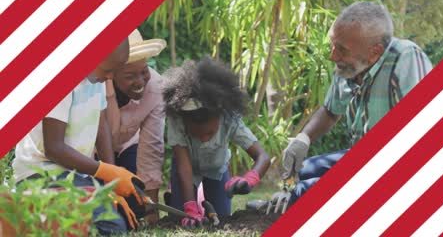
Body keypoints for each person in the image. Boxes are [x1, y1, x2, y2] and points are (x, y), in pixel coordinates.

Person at [281, 1, 432, 204]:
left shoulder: (405, 58)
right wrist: (303, 138)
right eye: (333, 46)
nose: (332, 56)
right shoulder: (349, 66)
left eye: (341, 50)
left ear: (374, 52)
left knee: (303, 192)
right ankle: (281, 205)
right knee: (303, 171)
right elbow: (330, 111)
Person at [13, 37, 145, 235]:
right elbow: (53, 148)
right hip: (42, 175)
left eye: (114, 71)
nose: (110, 77)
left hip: (76, 175)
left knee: (128, 213)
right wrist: (106, 173)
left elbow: (101, 127)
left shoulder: (97, 77)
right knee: (110, 226)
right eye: (107, 70)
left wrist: (113, 183)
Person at [163, 58, 270, 228]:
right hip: (186, 172)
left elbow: (263, 156)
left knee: (220, 218)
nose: (204, 138)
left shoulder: (229, 119)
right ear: (185, 123)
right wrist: (189, 208)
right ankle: (185, 197)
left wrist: (250, 179)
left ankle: (197, 198)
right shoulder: (177, 120)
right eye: (196, 134)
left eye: (210, 133)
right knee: (180, 217)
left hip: (217, 171)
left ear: (220, 117)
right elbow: (184, 168)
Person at [104, 29, 166, 225]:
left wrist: (151, 208)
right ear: (112, 74)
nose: (140, 81)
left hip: (128, 146)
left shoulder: (155, 88)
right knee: (106, 209)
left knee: (136, 202)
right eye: (130, 75)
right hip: (93, 153)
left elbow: (151, 147)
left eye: (144, 71)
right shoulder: (97, 83)